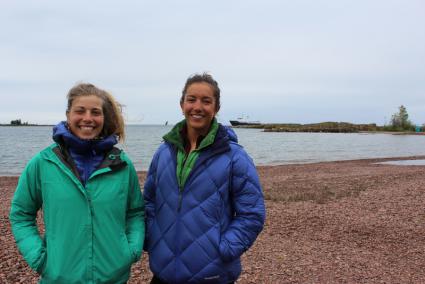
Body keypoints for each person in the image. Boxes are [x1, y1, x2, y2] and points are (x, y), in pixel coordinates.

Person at [9, 83, 144, 283]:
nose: (88, 118)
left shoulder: (122, 164)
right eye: (80, 111)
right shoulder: (44, 163)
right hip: (59, 277)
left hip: (113, 277)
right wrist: (40, 259)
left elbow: (135, 213)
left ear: (103, 117)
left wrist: (130, 251)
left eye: (95, 112)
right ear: (68, 115)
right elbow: (21, 214)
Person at [144, 73, 266, 284]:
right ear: (182, 104)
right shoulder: (163, 153)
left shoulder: (235, 157)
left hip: (212, 274)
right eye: (191, 99)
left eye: (206, 101)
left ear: (216, 108)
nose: (197, 107)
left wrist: (224, 249)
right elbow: (148, 202)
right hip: (163, 272)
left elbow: (252, 215)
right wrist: (152, 238)